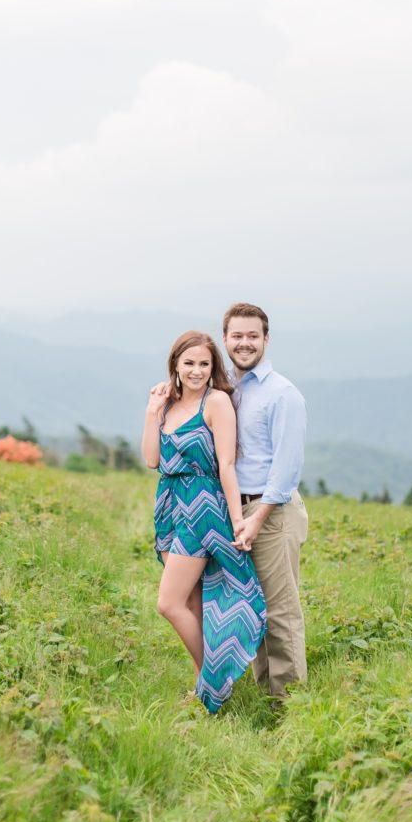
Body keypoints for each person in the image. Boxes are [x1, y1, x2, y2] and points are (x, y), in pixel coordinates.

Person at [142, 331, 267, 713]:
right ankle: (208, 696)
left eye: (204, 364)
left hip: (203, 508)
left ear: (213, 368)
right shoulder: (167, 403)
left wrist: (238, 522)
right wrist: (151, 412)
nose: (196, 371)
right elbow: (152, 460)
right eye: (189, 363)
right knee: (192, 604)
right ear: (175, 366)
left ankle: (211, 683)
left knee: (168, 603)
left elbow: (226, 465)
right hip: (170, 506)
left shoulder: (216, 402)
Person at [222, 302, 308, 699]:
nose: (244, 343)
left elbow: (287, 469)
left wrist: (256, 519)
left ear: (266, 340)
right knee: (254, 607)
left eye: (252, 336)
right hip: (235, 509)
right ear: (225, 339)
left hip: (270, 511)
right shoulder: (226, 389)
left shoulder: (282, 394)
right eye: (237, 336)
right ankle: (266, 697)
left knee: (280, 610)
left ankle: (290, 707)